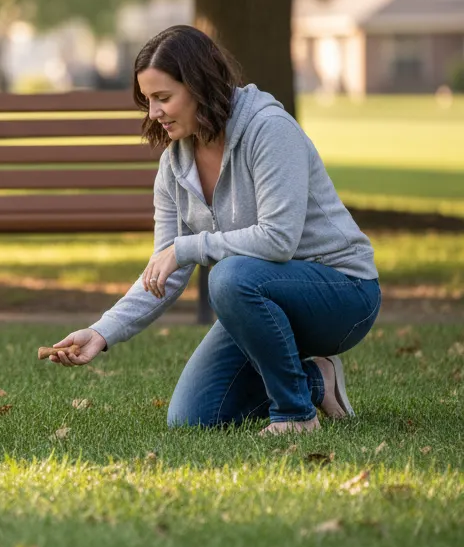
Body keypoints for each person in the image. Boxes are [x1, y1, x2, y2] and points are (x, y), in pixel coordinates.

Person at [46, 25, 381, 435]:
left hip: (342, 295)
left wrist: (189, 247)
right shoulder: (175, 165)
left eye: (163, 98)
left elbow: (278, 239)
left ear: (200, 87)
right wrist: (102, 331)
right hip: (259, 298)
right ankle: (316, 381)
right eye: (148, 100)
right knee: (192, 417)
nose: (153, 113)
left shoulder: (269, 129)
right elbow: (162, 273)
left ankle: (295, 416)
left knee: (228, 276)